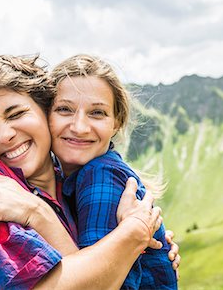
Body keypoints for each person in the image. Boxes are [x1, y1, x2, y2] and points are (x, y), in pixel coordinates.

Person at [0, 54, 180, 289]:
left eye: (17, 114)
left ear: (45, 111)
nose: (6, 135)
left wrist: (146, 252)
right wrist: (133, 233)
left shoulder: (73, 184)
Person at [46, 54, 178, 289]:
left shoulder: (99, 174)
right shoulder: (64, 176)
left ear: (116, 122)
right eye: (65, 109)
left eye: (97, 113)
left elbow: (96, 282)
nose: (79, 127)